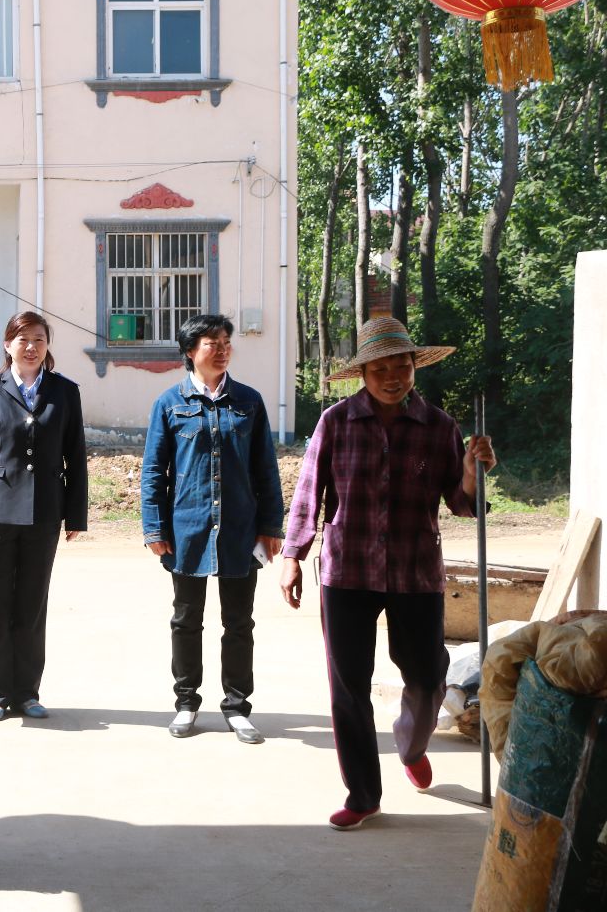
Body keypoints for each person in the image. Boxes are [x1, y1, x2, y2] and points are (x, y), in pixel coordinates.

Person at [282, 317, 497, 831]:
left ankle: (412, 745)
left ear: (414, 367)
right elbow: (310, 490)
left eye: (401, 366)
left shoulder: (439, 427)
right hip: (347, 568)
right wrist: (293, 553)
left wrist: (472, 473)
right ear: (362, 374)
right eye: (380, 369)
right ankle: (363, 794)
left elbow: (463, 503)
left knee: (427, 677)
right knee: (348, 686)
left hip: (414, 569)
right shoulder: (336, 422)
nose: (392, 377)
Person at [140, 314, 284, 744]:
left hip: (240, 528)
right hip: (188, 528)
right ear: (190, 351)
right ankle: (186, 703)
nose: (221, 350)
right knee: (186, 620)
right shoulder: (170, 403)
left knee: (239, 622)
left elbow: (266, 469)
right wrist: (154, 527)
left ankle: (237, 707)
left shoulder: (249, 402)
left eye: (225, 343)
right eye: (211, 343)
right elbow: (154, 471)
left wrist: (271, 525)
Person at [0, 310, 87, 722]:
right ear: (8, 344)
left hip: (44, 514)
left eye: (39, 340)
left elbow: (75, 455)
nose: (31, 347)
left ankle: (27, 692)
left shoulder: (65, 392)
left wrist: (75, 515)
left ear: (47, 346)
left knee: (32, 605)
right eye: (23, 339)